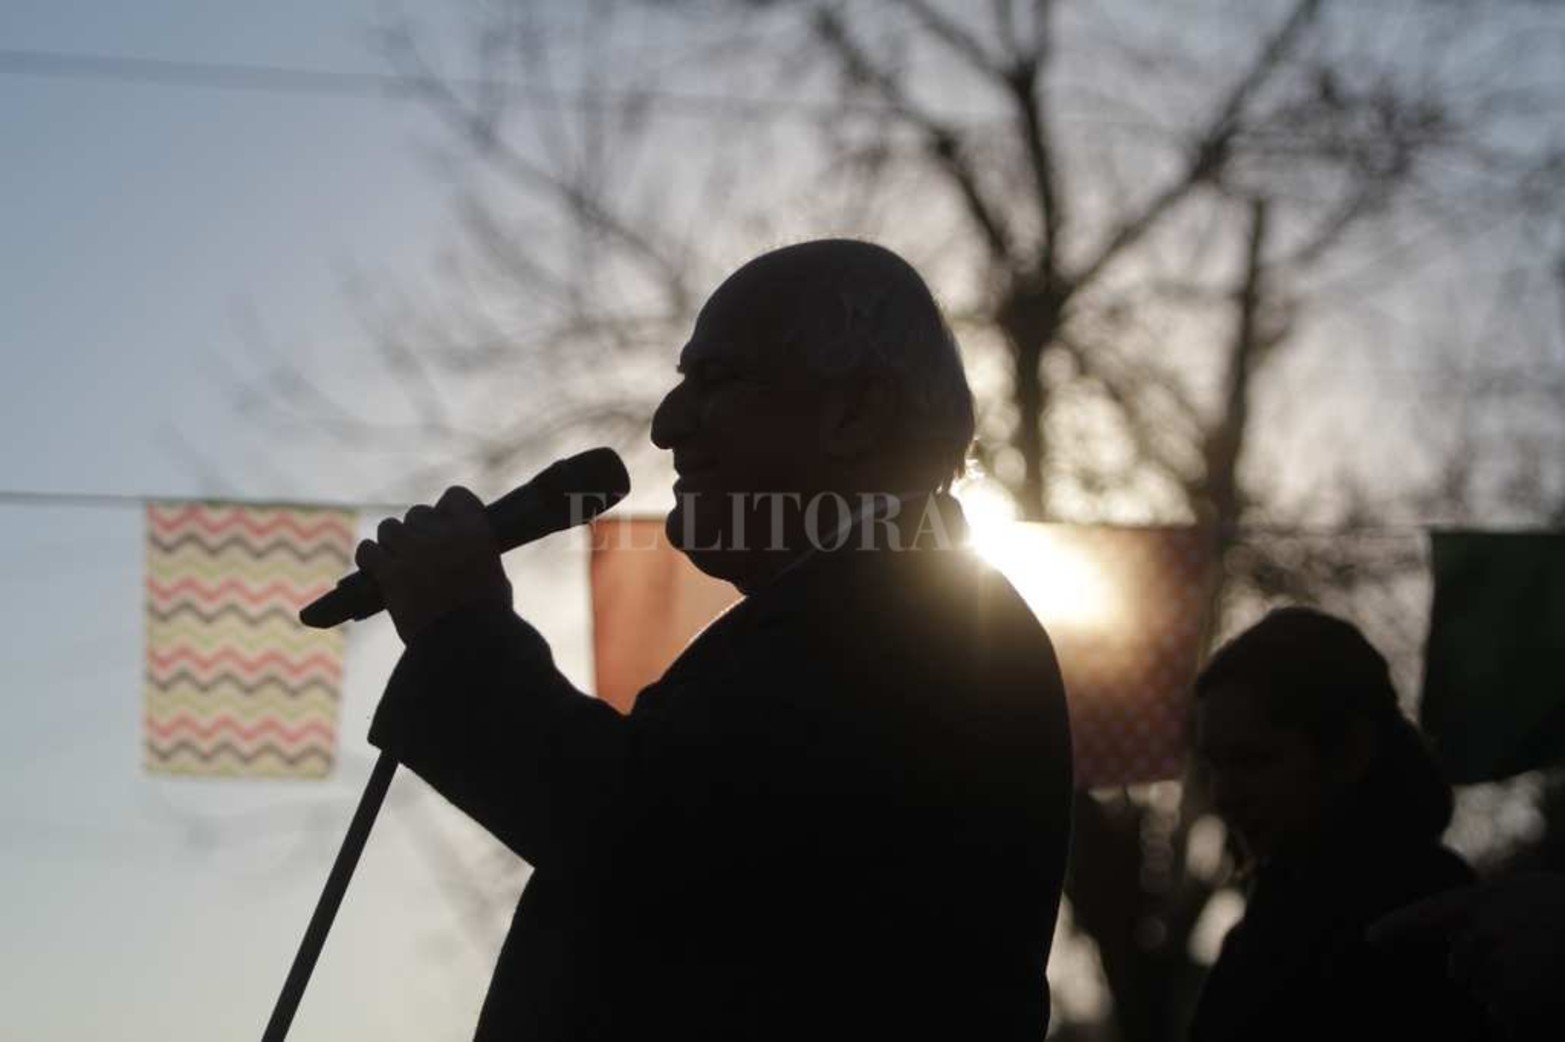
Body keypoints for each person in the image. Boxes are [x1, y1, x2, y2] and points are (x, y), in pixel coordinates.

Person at [355, 239, 1074, 1041]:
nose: (666, 426)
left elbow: (646, 839)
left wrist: (461, 634)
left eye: (717, 379)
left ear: (854, 413)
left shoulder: (920, 618)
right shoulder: (872, 606)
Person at [1186, 607, 1487, 1041]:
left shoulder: (1431, 921)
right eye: (1213, 766)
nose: (1222, 795)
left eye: (1253, 761)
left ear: (1350, 752)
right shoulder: (1264, 927)